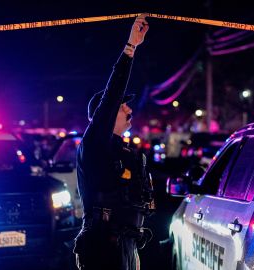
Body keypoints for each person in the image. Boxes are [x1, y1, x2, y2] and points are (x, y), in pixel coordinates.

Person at [73, 14, 154, 270]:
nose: (129, 109)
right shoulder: (96, 142)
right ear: (105, 115)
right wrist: (130, 47)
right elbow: (112, 94)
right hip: (101, 248)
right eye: (122, 106)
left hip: (126, 245)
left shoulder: (123, 149)